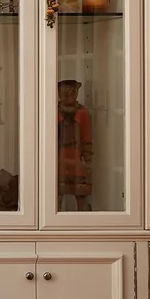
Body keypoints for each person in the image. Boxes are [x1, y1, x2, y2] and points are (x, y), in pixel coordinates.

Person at [56, 79, 94, 211]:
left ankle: (81, 215)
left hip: (77, 159)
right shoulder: (54, 111)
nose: (69, 94)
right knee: (57, 190)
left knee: (80, 191)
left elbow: (87, 135)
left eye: (73, 91)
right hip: (59, 158)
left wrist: (87, 157)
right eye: (65, 90)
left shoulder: (82, 112)